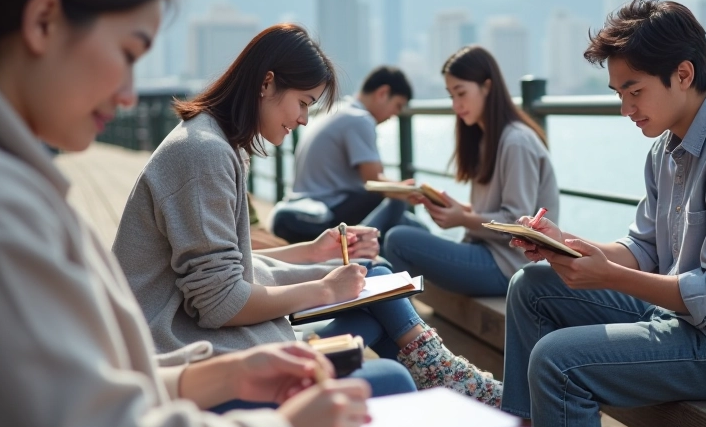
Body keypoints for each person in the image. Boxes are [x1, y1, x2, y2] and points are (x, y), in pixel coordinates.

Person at [0, 0, 371, 427]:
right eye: (128, 53)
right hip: (181, 351)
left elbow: (70, 393)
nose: (128, 96)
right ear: (44, 20)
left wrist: (229, 373)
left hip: (181, 360)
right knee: (382, 382)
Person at [112, 24, 502, 406]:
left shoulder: (216, 143)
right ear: (267, 84)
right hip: (184, 356)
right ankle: (445, 378)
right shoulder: (203, 154)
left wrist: (313, 253)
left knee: (376, 278)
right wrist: (326, 289)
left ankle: (442, 375)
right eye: (303, 102)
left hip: (209, 336)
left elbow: (229, 268)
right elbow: (219, 303)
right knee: (392, 377)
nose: (303, 119)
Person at [500, 0, 706, 427]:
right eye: (620, 93)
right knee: (529, 287)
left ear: (683, 74)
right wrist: (562, 243)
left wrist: (607, 277)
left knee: (557, 361)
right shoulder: (666, 149)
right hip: (678, 320)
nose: (625, 107)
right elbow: (642, 249)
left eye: (635, 90)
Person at [382, 46, 560, 296]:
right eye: (451, 96)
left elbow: (518, 222)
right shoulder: (487, 138)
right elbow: (493, 211)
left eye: (461, 93)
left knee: (398, 240)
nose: (456, 105)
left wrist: (462, 218)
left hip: (507, 266)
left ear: (487, 87)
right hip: (484, 252)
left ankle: (408, 331)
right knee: (401, 220)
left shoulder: (516, 141)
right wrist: (454, 207)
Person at [270, 66, 423, 243]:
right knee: (395, 200)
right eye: (397, 106)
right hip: (323, 213)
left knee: (403, 218)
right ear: (383, 93)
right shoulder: (359, 119)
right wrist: (410, 191)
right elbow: (374, 182)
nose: (395, 115)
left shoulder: (336, 110)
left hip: (300, 207)